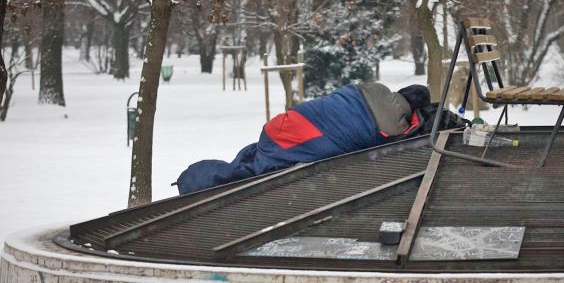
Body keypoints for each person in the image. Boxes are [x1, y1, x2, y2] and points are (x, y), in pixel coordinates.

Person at [175, 82, 454, 195]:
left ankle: (203, 178)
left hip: (292, 126)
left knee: (262, 157)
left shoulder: (375, 90)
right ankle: (201, 181)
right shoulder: (391, 117)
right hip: (307, 130)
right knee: (267, 166)